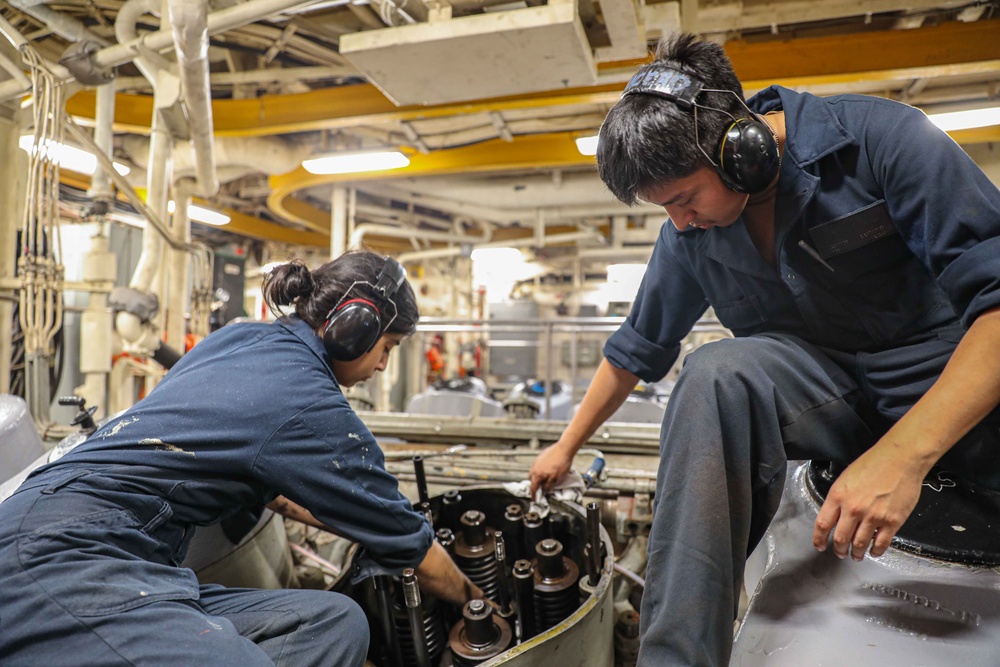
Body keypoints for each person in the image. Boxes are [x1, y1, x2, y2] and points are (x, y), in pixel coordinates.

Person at [530, 32, 1000, 666]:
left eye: (684, 199)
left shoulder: (883, 141)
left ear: (740, 150)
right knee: (716, 374)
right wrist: (566, 446)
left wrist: (903, 457)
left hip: (951, 392)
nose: (679, 221)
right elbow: (635, 348)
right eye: (664, 208)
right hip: (830, 400)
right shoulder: (692, 237)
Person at [0, 251, 483, 666]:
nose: (382, 365)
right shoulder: (307, 401)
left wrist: (360, 517)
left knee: (335, 625)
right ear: (355, 328)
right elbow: (409, 543)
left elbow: (280, 491)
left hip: (129, 558)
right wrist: (476, 602)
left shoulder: (239, 339)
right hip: (64, 557)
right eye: (387, 347)